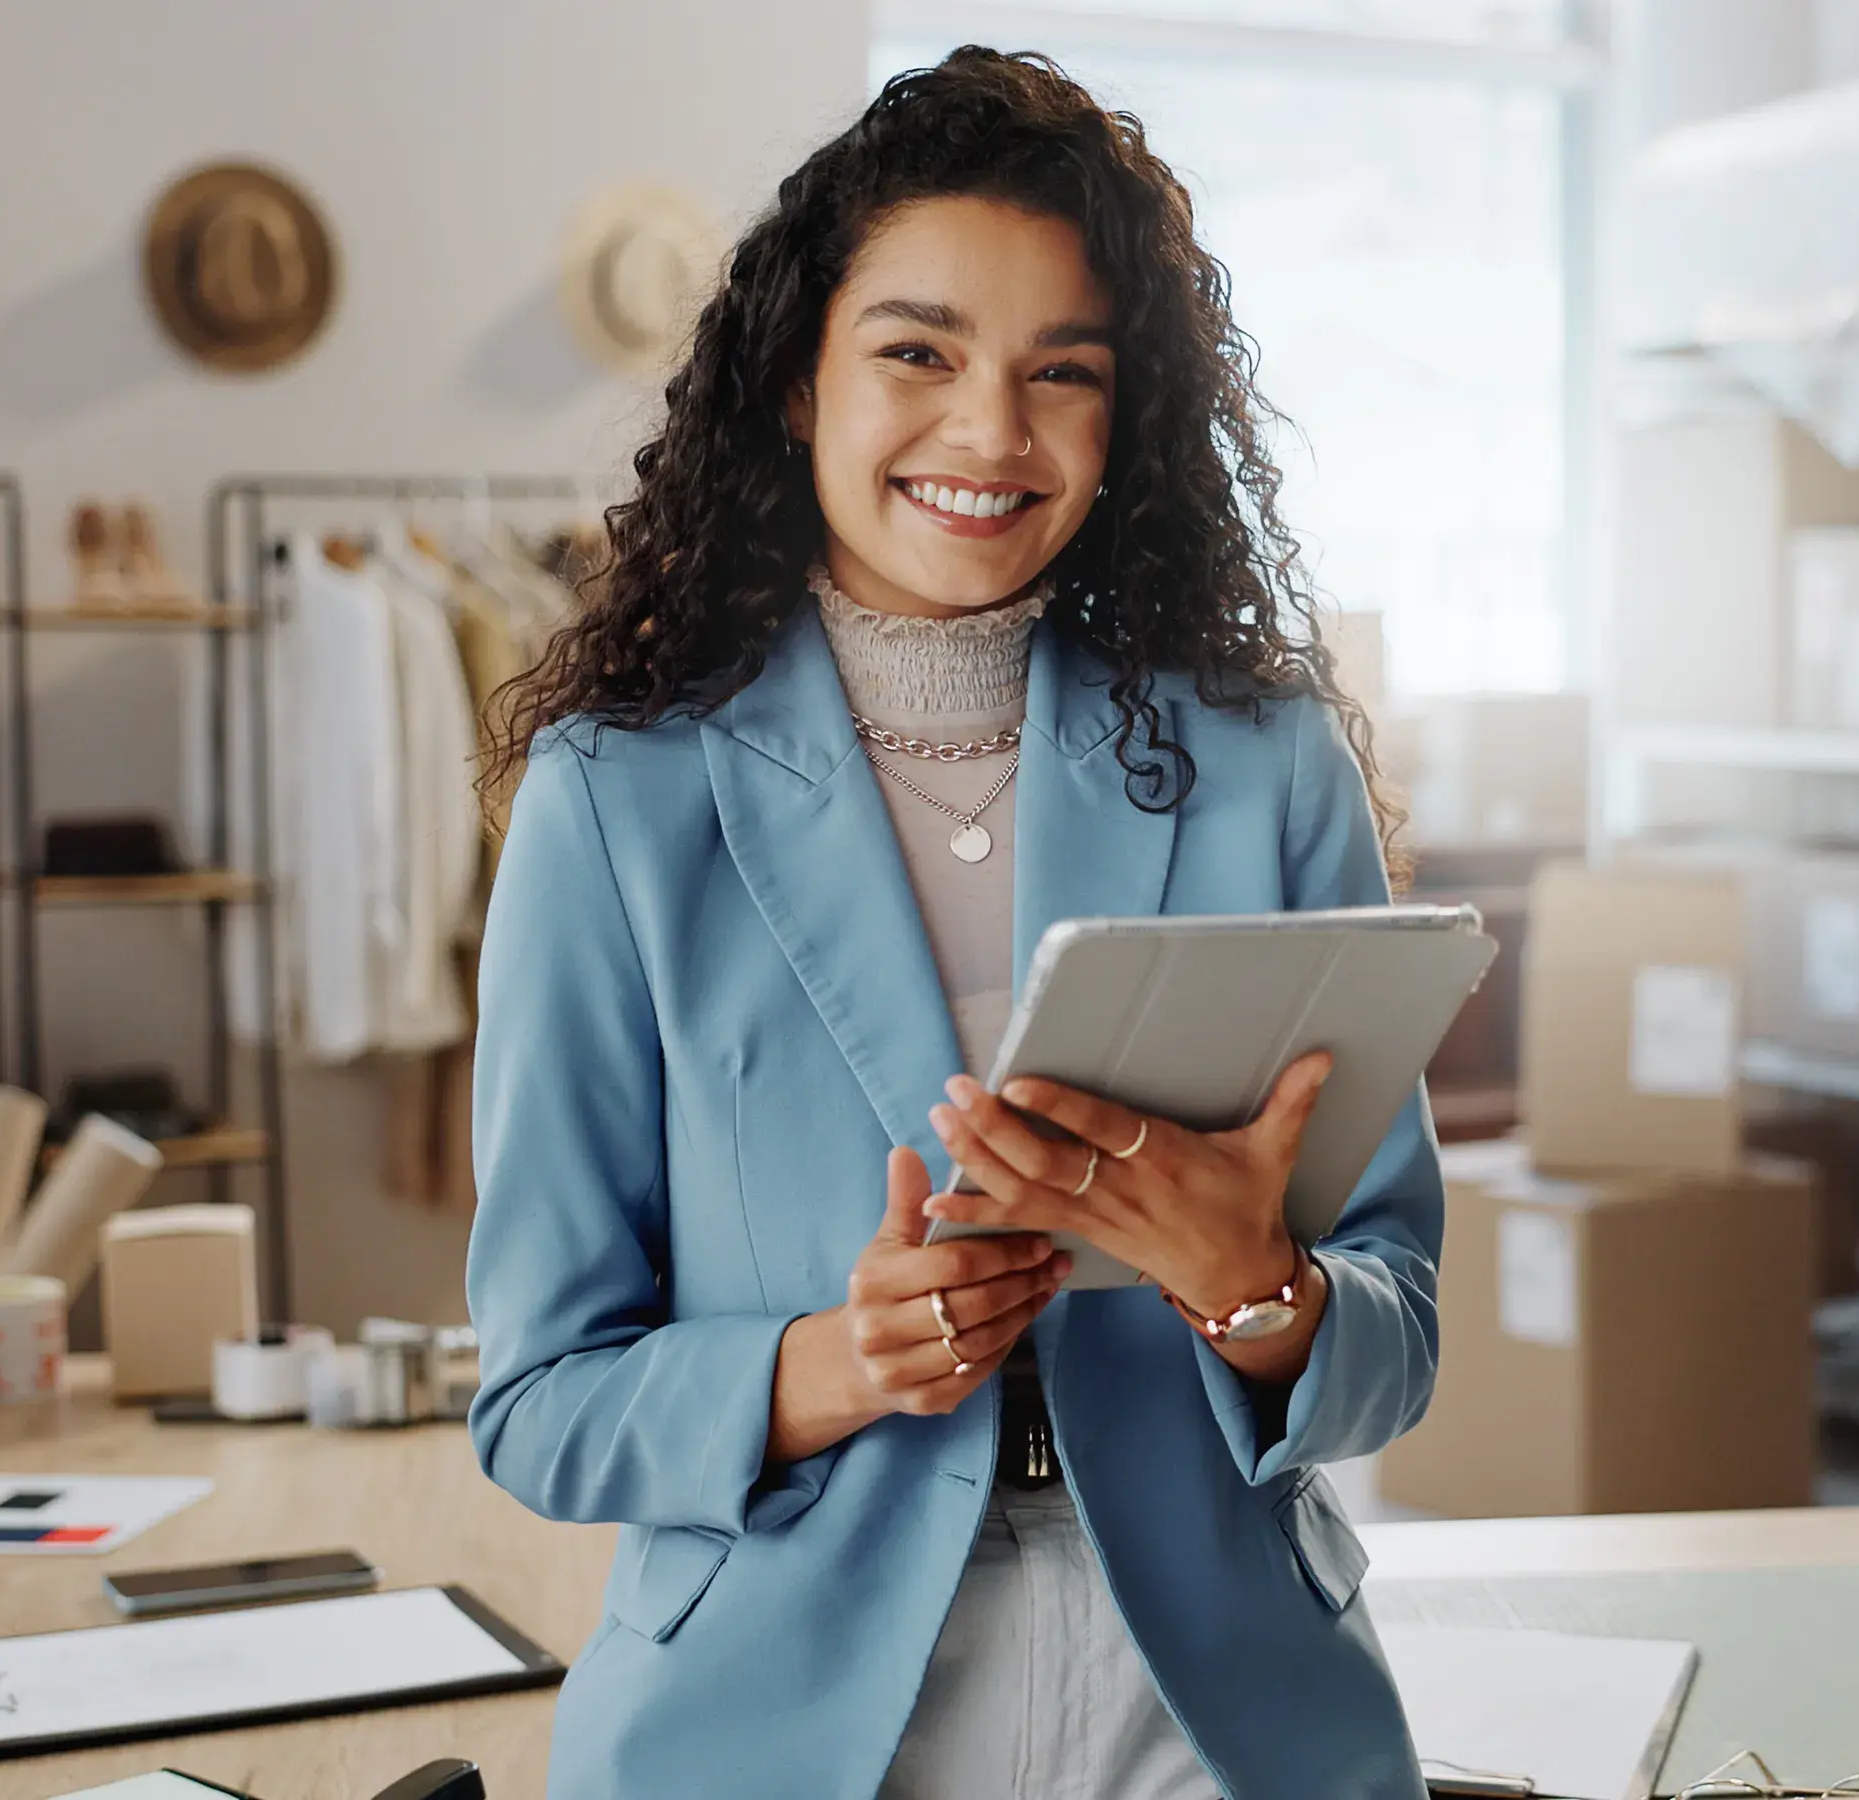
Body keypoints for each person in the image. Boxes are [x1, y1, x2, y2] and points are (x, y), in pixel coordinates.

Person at [468, 47, 1441, 1800]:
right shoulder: (615, 800)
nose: (990, 434)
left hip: (1211, 1711)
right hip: (782, 1712)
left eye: (1060, 375)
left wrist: (1255, 1290)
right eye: (917, 352)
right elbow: (538, 1401)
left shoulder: (1267, 762)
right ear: (793, 379)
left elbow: (1397, 1340)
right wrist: (830, 1368)